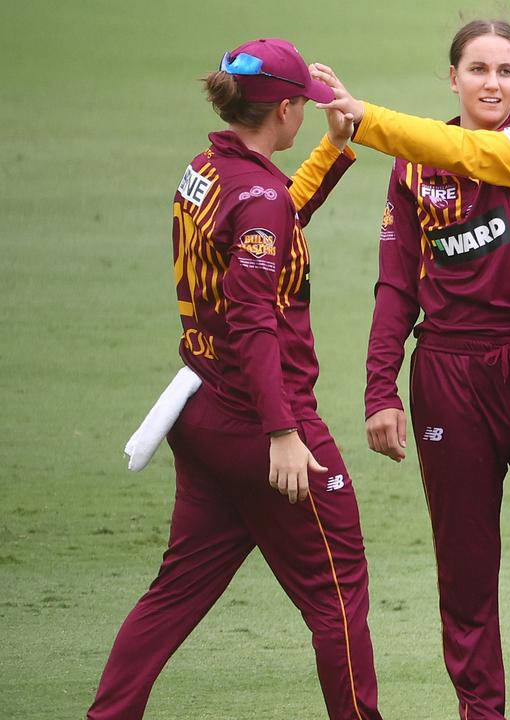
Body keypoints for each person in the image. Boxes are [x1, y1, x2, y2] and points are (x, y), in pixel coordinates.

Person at [311, 19, 510, 720]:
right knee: (466, 570)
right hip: (450, 376)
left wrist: (364, 117)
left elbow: (460, 148)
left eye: (505, 71)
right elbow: (396, 284)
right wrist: (378, 390)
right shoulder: (410, 166)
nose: (491, 83)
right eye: (477, 69)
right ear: (452, 78)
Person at [87, 39, 383, 720]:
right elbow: (253, 318)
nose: (306, 114)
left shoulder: (210, 168)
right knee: (339, 595)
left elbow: (275, 217)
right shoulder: (257, 196)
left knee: (177, 591)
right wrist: (282, 432)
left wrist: (335, 151)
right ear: (282, 110)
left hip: (203, 410)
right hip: (262, 422)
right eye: (302, 106)